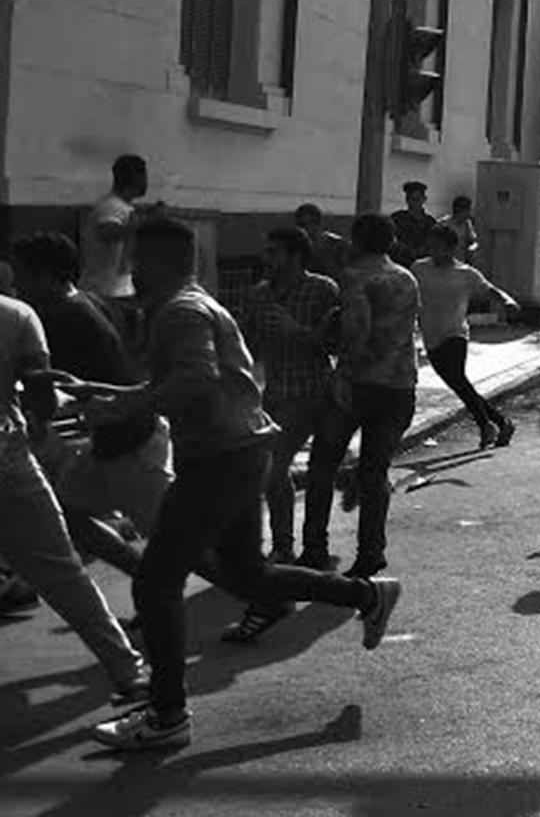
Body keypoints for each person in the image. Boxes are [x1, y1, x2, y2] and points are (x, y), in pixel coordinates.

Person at [80, 219, 402, 752]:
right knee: (248, 575)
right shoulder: (191, 304)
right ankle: (367, 594)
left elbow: (195, 378)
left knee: (156, 583)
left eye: (136, 261)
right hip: (239, 450)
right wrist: (102, 391)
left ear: (157, 263)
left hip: (220, 458)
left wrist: (122, 407)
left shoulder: (181, 311)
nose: (130, 271)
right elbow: (186, 378)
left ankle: (167, 715)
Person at [0, 275, 149, 705]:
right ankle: (127, 672)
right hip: (9, 459)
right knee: (62, 572)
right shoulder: (16, 315)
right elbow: (43, 401)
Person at [11, 232, 171, 575]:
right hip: (121, 437)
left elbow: (44, 397)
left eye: (21, 275)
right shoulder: (91, 302)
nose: (16, 287)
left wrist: (30, 411)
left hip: (132, 447)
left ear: (45, 275)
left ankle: (257, 587)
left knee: (182, 548)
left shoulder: (59, 317)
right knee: (66, 513)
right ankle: (144, 576)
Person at [225, 228, 340, 641]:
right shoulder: (258, 294)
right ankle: (285, 545)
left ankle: (288, 548)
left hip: (314, 393)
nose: (267, 259)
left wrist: (296, 331)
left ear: (296, 256)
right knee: (270, 469)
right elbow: (246, 346)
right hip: (273, 394)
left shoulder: (323, 290)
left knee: (275, 468)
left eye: (274, 253)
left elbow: (335, 344)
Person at [299, 215, 420, 579]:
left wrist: (343, 374)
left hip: (360, 382)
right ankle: (371, 551)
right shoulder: (407, 277)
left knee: (322, 465)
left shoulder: (355, 277)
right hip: (400, 383)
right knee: (375, 471)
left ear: (357, 241)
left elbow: (358, 329)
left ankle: (315, 548)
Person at [414, 222, 517, 451]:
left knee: (458, 379)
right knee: (459, 385)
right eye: (431, 247)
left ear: (451, 248)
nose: (434, 252)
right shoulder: (419, 268)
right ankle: (501, 422)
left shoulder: (466, 273)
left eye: (438, 247)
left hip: (455, 334)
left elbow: (489, 289)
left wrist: (507, 301)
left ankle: (485, 426)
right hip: (431, 336)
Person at [82, 153, 156, 305]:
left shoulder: (123, 207)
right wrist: (146, 223)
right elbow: (107, 231)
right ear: (135, 178)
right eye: (144, 176)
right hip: (105, 292)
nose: (147, 182)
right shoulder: (111, 206)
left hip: (120, 290)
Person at [294, 203, 353, 281]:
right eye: (302, 225)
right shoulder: (295, 246)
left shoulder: (337, 245)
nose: (308, 228)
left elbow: (346, 272)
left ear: (319, 223)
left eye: (313, 222)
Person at [388, 180, 438, 268]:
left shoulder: (430, 222)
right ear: (407, 200)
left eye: (417, 199)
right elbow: (390, 240)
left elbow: (435, 243)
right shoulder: (397, 218)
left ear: (424, 199)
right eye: (411, 198)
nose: (414, 203)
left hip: (423, 265)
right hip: (400, 263)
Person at [446, 194, 481, 263]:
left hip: (461, 261)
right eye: (469, 209)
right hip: (447, 260)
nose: (470, 212)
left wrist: (472, 248)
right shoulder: (445, 223)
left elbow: (473, 241)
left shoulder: (467, 224)